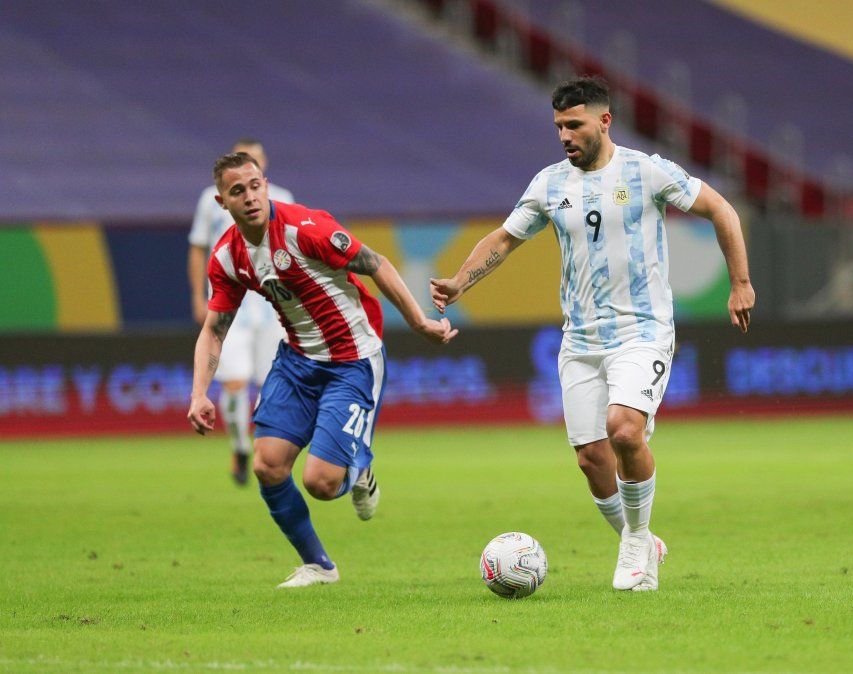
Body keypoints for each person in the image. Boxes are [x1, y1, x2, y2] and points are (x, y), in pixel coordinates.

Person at [431, 76, 754, 592]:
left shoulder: (646, 171)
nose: (564, 135)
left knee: (624, 429)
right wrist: (459, 281)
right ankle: (641, 539)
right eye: (559, 126)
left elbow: (722, 209)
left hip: (641, 329)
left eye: (574, 125)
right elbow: (504, 238)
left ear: (604, 121)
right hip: (580, 340)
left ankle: (636, 545)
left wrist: (739, 282)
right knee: (591, 456)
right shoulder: (549, 184)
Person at [188, 152, 457, 588]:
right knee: (268, 465)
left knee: (320, 482)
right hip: (297, 361)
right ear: (223, 203)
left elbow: (377, 265)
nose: (251, 196)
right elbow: (214, 330)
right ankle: (319, 565)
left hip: (352, 359)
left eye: (256, 185)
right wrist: (199, 393)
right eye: (238, 191)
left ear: (266, 184)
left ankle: (358, 470)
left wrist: (419, 322)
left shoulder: (305, 228)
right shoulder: (227, 257)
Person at [187, 139, 294, 485]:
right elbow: (198, 248)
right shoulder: (211, 199)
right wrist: (196, 295)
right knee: (234, 381)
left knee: (269, 383)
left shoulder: (282, 198)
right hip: (230, 303)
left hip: (271, 304)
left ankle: (266, 450)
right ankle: (239, 446)